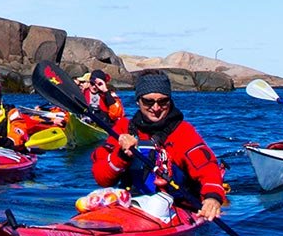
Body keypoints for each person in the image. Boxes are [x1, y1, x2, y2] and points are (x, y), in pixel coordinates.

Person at [91, 70, 227, 221]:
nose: (156, 108)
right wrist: (121, 155)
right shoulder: (123, 129)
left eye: (162, 102)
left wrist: (212, 198)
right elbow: (102, 179)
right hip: (132, 205)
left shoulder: (183, 132)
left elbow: (207, 168)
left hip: (177, 206)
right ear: (138, 101)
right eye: (148, 102)